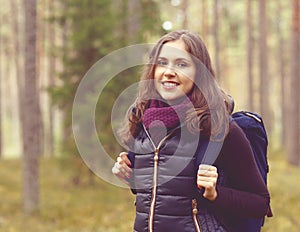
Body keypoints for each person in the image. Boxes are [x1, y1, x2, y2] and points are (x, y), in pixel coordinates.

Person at [112, 30, 271, 232]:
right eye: (162, 62)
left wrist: (215, 193)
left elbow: (260, 203)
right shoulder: (142, 121)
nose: (169, 71)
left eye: (182, 64)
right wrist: (129, 175)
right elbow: (160, 195)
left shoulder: (218, 128)